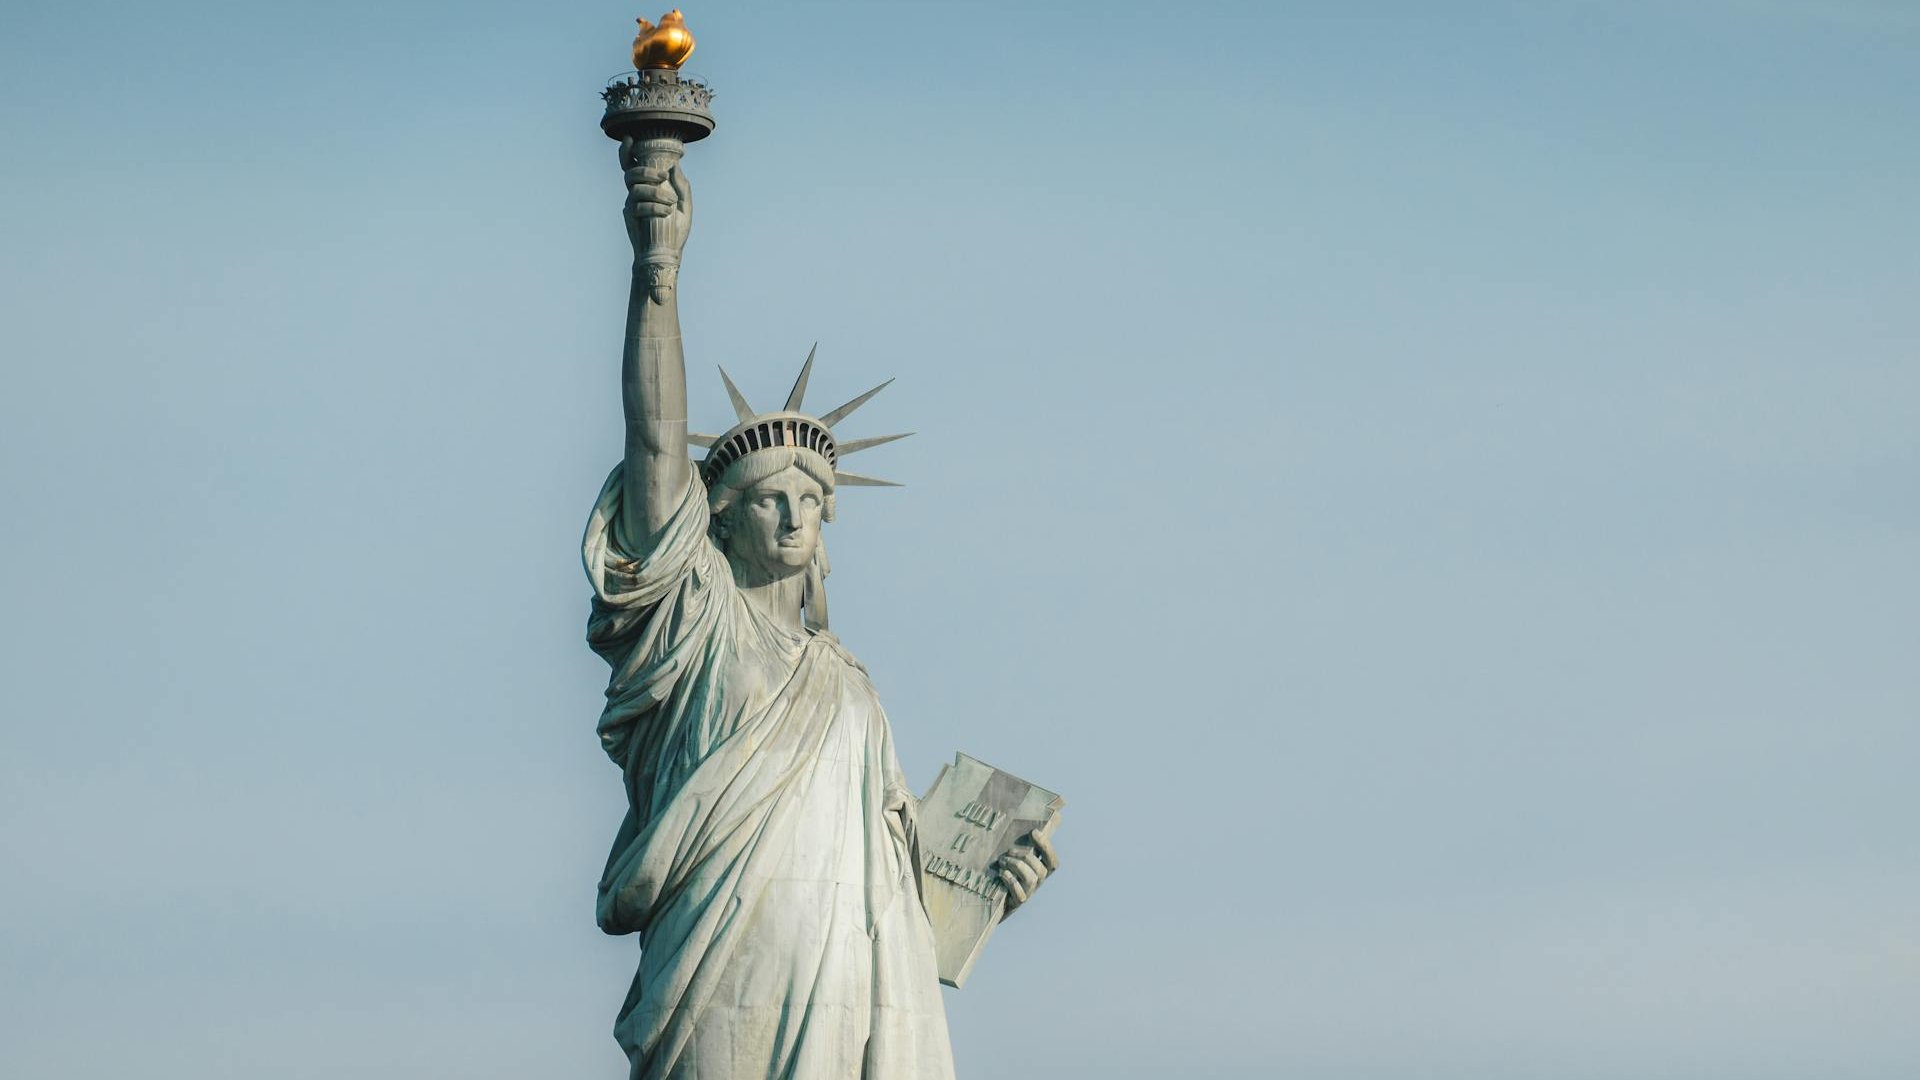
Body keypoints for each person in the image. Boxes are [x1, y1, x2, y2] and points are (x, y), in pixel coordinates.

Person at [582, 143, 1056, 1079]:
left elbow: (890, 882)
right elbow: (654, 437)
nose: (796, 514)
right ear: (718, 521)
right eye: (770, 498)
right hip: (721, 970)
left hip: (851, 987)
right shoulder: (696, 628)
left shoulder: (851, 687)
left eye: (812, 499)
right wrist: (658, 270)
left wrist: (986, 886)